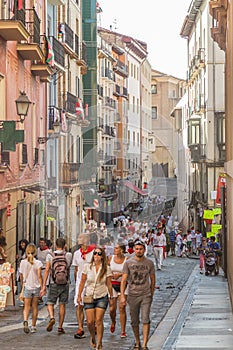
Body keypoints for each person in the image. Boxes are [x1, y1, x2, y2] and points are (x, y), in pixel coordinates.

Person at [120, 240, 155, 350]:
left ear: (144, 250)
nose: (139, 251)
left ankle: (144, 344)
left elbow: (153, 279)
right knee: (134, 320)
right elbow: (124, 279)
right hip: (133, 294)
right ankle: (137, 341)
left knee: (145, 318)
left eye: (141, 249)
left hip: (145, 294)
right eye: (137, 249)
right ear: (134, 250)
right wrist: (122, 295)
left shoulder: (149, 263)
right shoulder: (128, 263)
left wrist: (151, 292)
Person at [77, 246, 114, 350]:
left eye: (99, 254)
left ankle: (100, 342)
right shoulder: (87, 267)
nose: (97, 255)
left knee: (99, 320)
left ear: (102, 256)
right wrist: (79, 295)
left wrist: (111, 297)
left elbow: (109, 284)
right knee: (89, 322)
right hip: (89, 296)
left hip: (102, 295)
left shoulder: (106, 268)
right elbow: (82, 282)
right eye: (95, 253)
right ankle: (93, 337)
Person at [41, 237, 72, 334]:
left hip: (53, 282)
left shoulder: (50, 255)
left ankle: (51, 317)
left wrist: (43, 285)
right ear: (64, 245)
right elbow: (68, 267)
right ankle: (60, 327)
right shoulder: (68, 255)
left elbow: (47, 270)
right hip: (65, 282)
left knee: (50, 302)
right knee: (62, 304)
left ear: (55, 245)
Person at [72, 233, 95, 339]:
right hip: (80, 282)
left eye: (81, 237)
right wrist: (76, 283)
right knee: (79, 305)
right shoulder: (76, 253)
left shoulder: (94, 252)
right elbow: (76, 269)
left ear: (87, 239)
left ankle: (92, 324)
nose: (78, 239)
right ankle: (80, 328)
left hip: (92, 282)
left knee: (92, 305)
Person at [19, 243, 43, 333]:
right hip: (36, 287)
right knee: (35, 307)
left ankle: (25, 320)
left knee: (26, 307)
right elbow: (40, 276)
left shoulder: (22, 262)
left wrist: (22, 284)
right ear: (35, 252)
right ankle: (33, 326)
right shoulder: (38, 263)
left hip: (27, 287)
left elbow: (21, 276)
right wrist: (42, 287)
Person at [108, 243, 128, 338]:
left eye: (116, 248)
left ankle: (123, 331)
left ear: (121, 250)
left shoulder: (126, 260)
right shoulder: (111, 258)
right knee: (112, 308)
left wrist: (119, 275)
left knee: (122, 307)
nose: (114, 250)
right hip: (112, 284)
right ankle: (113, 321)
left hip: (123, 285)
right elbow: (106, 269)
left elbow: (128, 272)